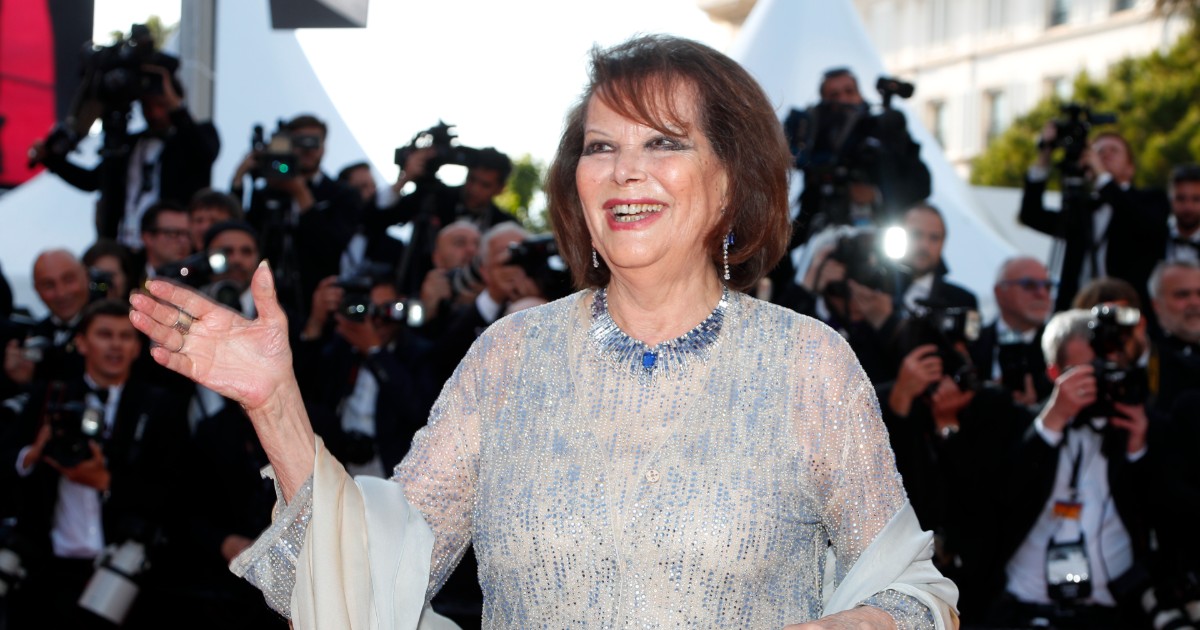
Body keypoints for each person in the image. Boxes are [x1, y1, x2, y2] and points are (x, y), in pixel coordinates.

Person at [129, 35, 957, 628]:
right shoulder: (509, 356)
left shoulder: (807, 362)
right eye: (601, 146)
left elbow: (915, 596)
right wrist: (275, 404)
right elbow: (371, 580)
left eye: (663, 142)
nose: (625, 169)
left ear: (732, 181)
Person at [1, 300, 188, 629]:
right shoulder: (50, 397)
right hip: (48, 570)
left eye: (125, 337)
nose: (116, 345)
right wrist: (33, 454)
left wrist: (107, 482)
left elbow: (177, 493)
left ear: (136, 348)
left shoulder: (160, 407)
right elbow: (9, 461)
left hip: (124, 574)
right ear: (82, 343)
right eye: (104, 334)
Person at [986, 309, 1154, 628]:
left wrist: (1137, 449)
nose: (1096, 381)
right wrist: (1053, 420)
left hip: (1112, 614)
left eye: (1104, 368)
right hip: (1025, 610)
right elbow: (999, 499)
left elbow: (1161, 513)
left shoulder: (1138, 427)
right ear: (1054, 372)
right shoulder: (1019, 424)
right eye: (1083, 373)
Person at [30, 65, 220, 248]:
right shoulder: (130, 144)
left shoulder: (196, 137)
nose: (154, 113)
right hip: (125, 244)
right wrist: (51, 160)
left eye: (161, 105)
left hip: (174, 245)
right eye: (147, 106)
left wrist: (177, 108)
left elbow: (205, 151)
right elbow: (93, 180)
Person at [1020, 128, 1169, 312]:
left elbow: (1141, 222)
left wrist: (1103, 178)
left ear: (1130, 168)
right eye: (1098, 151)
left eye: (1114, 150)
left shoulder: (1151, 200)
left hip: (1128, 308)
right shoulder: (1082, 208)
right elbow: (1031, 215)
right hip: (1078, 307)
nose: (1105, 155)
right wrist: (1045, 156)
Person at [233, 114, 362, 316]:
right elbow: (242, 231)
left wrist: (301, 194)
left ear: (324, 146)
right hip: (266, 295)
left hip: (316, 300)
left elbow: (330, 248)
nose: (307, 149)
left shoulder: (342, 195)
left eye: (313, 142)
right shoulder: (268, 193)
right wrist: (239, 178)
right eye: (300, 142)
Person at [970, 256, 1055, 405]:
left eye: (1047, 286)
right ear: (999, 292)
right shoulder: (971, 344)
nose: (1041, 293)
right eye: (1029, 285)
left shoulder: (1060, 349)